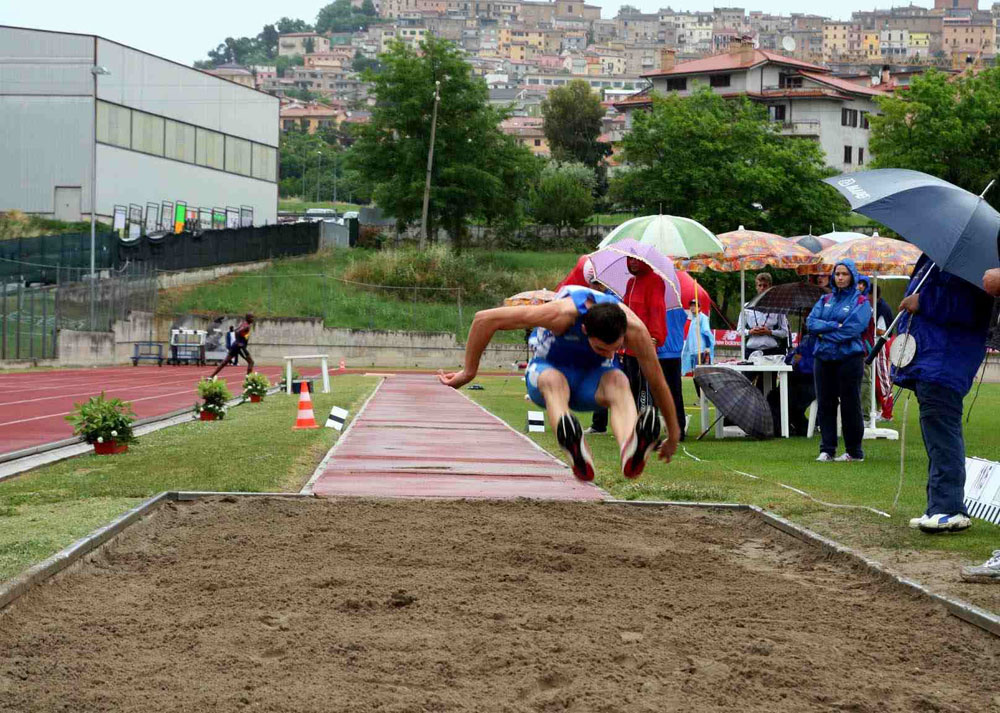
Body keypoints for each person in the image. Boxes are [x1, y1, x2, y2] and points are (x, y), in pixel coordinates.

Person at [439, 287, 681, 481]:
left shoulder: (634, 329)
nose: (609, 354)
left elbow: (658, 382)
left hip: (592, 382)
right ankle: (571, 438)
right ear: (585, 330)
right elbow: (484, 319)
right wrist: (468, 373)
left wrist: (673, 433)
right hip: (547, 372)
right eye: (600, 348)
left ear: (623, 334)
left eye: (616, 349)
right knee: (555, 381)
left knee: (619, 379)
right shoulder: (560, 314)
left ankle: (630, 446)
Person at [896, 255, 994, 533]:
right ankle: (938, 506)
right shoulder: (932, 260)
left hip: (945, 360)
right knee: (936, 435)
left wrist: (923, 302)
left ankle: (949, 508)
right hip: (931, 359)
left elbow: (970, 308)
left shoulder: (972, 265)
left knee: (943, 434)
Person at [589, 257, 666, 434]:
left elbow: (657, 309)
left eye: (637, 260)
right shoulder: (631, 282)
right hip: (630, 345)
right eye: (630, 260)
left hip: (645, 344)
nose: (632, 263)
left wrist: (655, 336)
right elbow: (626, 312)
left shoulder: (654, 281)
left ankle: (647, 429)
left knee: (645, 390)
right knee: (632, 387)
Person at [806, 259, 872, 462]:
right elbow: (811, 323)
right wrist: (836, 325)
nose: (840, 277)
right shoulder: (825, 299)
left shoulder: (861, 301)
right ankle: (827, 449)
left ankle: (854, 452)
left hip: (849, 358)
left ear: (852, 276)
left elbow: (853, 329)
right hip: (823, 357)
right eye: (837, 274)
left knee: (850, 404)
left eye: (845, 274)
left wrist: (825, 333)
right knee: (826, 403)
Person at [767, 326, 817, 436]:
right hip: (797, 381)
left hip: (812, 383)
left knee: (789, 399)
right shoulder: (806, 339)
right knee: (774, 396)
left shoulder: (823, 342)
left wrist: (801, 360)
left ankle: (785, 427)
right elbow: (789, 358)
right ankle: (780, 426)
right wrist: (794, 357)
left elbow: (816, 365)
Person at [738, 273, 790, 356]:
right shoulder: (746, 307)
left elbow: (784, 332)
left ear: (770, 287)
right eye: (760, 285)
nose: (762, 288)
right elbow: (739, 331)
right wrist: (750, 331)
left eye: (765, 286)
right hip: (751, 349)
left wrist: (770, 332)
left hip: (771, 350)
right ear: (756, 287)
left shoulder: (777, 307)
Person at [657, 307, 688, 439]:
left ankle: (655, 428)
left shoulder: (658, 308)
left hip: (660, 352)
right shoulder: (679, 308)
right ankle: (679, 428)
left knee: (656, 394)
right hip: (675, 353)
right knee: (676, 392)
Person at [210, 313, 255, 378]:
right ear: (247, 318)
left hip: (235, 345)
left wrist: (237, 341)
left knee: (224, 362)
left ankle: (211, 376)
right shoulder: (246, 326)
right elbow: (237, 332)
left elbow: (236, 330)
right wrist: (239, 342)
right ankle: (249, 380)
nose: (253, 319)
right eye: (251, 318)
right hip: (240, 347)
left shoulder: (243, 324)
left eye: (253, 317)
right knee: (251, 362)